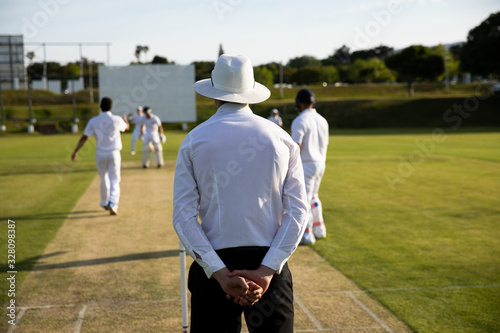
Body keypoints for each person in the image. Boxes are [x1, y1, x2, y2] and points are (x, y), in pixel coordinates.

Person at [173, 54, 309, 333]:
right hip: (269, 263)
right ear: (250, 91)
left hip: (214, 267)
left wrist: (221, 274)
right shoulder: (281, 138)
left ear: (214, 93)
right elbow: (298, 213)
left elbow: (184, 218)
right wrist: (266, 272)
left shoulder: (194, 140)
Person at [71, 97, 129, 215]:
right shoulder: (116, 119)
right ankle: (112, 203)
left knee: (104, 178)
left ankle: (104, 202)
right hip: (114, 153)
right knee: (115, 179)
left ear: (100, 107)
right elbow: (126, 128)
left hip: (100, 154)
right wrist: (125, 120)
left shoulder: (94, 121)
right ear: (111, 107)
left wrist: (76, 151)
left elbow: (84, 137)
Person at [291, 89, 329, 244]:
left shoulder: (300, 120)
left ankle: (307, 235)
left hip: (306, 163)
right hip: (321, 162)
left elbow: (296, 147)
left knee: (304, 200)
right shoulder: (322, 120)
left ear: (300, 103)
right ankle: (320, 229)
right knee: (314, 197)